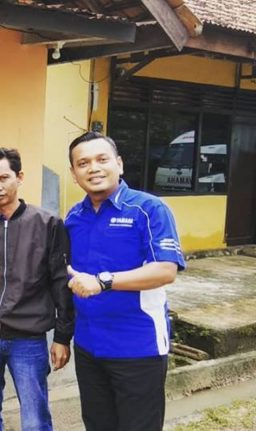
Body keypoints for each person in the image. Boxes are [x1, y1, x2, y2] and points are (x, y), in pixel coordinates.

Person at [65, 131, 185, 431]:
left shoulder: (149, 209)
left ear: (118, 164)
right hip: (89, 346)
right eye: (83, 163)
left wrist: (104, 281)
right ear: (74, 173)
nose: (93, 168)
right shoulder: (74, 217)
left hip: (138, 347)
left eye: (102, 159)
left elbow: (166, 270)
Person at [0, 148, 73, 431]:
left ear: (19, 177)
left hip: (27, 338)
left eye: (3, 178)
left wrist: (62, 337)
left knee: (35, 419)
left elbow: (61, 283)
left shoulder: (47, 224)